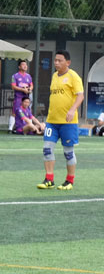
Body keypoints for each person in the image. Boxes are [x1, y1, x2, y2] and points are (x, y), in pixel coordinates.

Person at [37, 50, 84, 191]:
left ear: (67, 62)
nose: (56, 63)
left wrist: (72, 110)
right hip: (52, 121)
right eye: (55, 60)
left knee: (68, 152)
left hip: (68, 123)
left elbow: (80, 96)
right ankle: (49, 179)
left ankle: (69, 181)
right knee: (47, 149)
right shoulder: (54, 76)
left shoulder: (73, 76)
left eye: (60, 60)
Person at [9, 59, 33, 133]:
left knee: (28, 112)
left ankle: (30, 127)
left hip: (26, 97)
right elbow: (13, 86)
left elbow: (31, 85)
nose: (25, 66)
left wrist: (29, 89)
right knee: (15, 112)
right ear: (19, 66)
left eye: (26, 65)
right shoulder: (15, 76)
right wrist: (22, 89)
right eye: (23, 64)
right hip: (18, 97)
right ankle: (10, 129)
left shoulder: (28, 76)